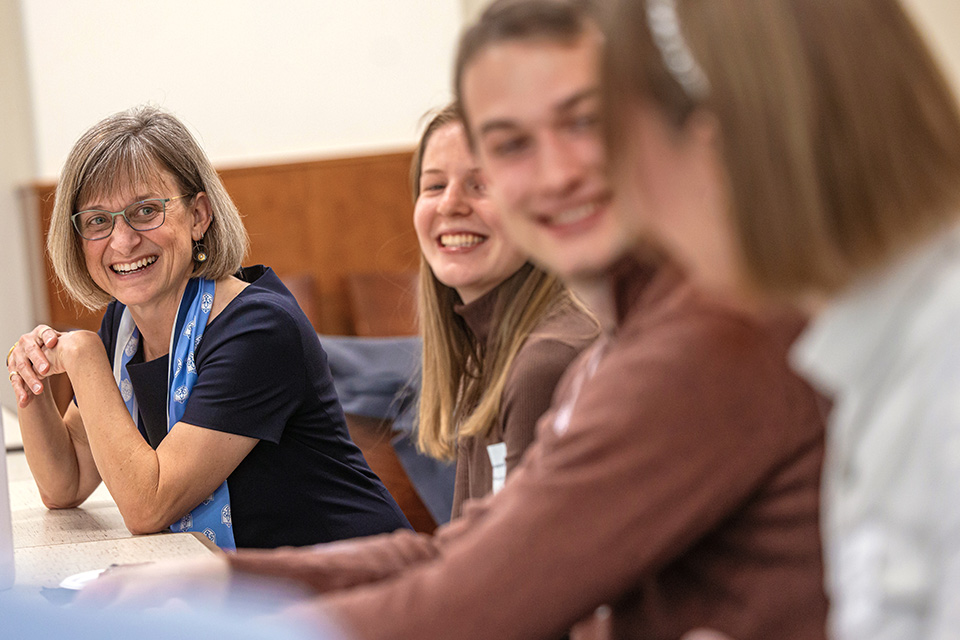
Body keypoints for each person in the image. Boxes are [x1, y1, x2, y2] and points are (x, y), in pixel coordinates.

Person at [78, 3, 828, 638]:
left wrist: (238, 605)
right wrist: (224, 582)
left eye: (585, 124)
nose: (552, 171)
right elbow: (465, 555)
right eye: (510, 144)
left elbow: (486, 595)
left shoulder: (706, 339)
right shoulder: (627, 341)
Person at [599, 0, 960, 638]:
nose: (627, 203)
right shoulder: (879, 350)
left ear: (715, 152)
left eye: (619, 144)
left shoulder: (941, 371)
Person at [5, 106, 410, 550]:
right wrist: (33, 377)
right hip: (259, 593)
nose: (122, 241)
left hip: (359, 587)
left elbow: (149, 504)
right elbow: (66, 483)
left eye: (145, 211)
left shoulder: (258, 329)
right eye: (98, 221)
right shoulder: (123, 327)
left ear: (198, 215)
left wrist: (82, 356)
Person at [412, 103, 597, 519]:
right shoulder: (486, 353)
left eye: (483, 185)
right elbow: (467, 552)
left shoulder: (547, 360)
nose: (451, 205)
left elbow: (524, 570)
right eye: (434, 186)